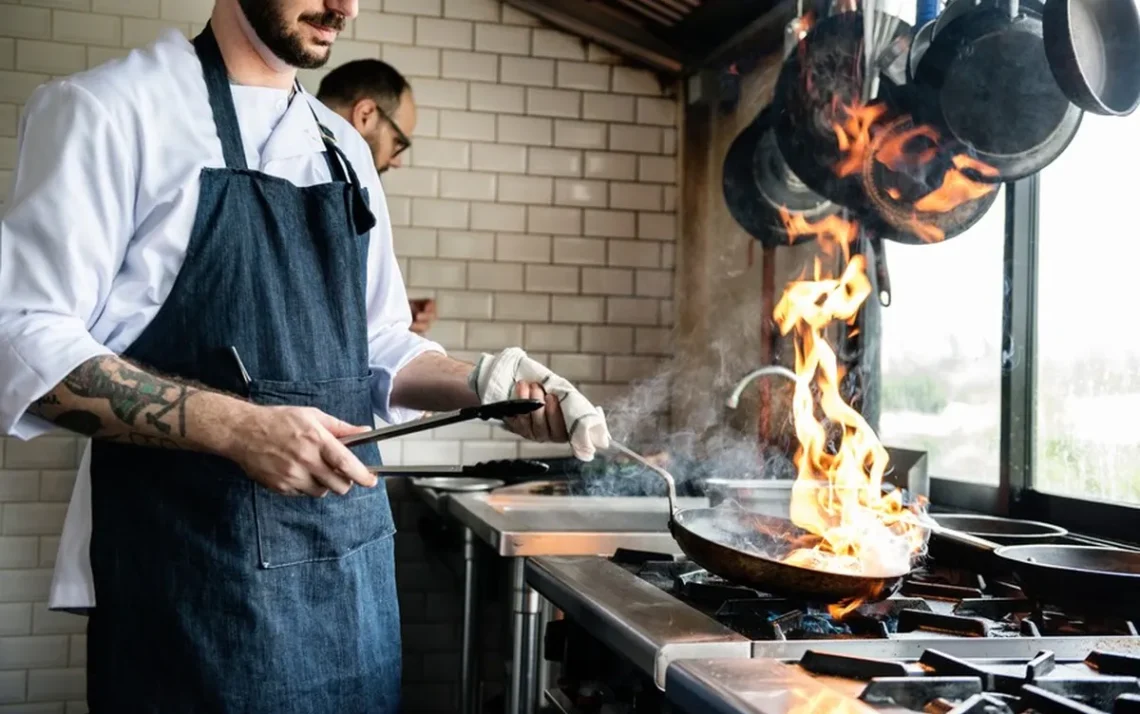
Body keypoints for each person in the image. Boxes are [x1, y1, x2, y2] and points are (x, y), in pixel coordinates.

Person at [0, 1, 611, 711]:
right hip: (193, 591)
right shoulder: (110, 111)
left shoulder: (340, 149)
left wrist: (484, 382)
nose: (343, 6)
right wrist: (239, 429)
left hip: (350, 590)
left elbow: (377, 343)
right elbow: (22, 339)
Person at [316, 58, 435, 335]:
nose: (396, 161)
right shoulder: (321, 185)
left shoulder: (350, 188)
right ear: (366, 114)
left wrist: (387, 314)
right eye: (398, 143)